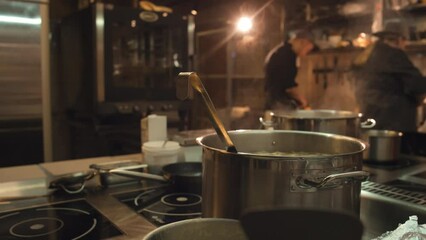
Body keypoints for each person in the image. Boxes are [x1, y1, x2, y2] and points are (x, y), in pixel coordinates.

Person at [352, 19, 426, 132]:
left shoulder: (370, 53)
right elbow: (417, 85)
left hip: (369, 117)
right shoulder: (394, 54)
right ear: (400, 40)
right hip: (391, 122)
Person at [264, 30, 316, 111]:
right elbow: (289, 86)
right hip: (279, 101)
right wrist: (303, 100)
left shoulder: (282, 51)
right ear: (302, 42)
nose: (306, 54)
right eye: (307, 50)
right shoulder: (287, 55)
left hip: (273, 99)